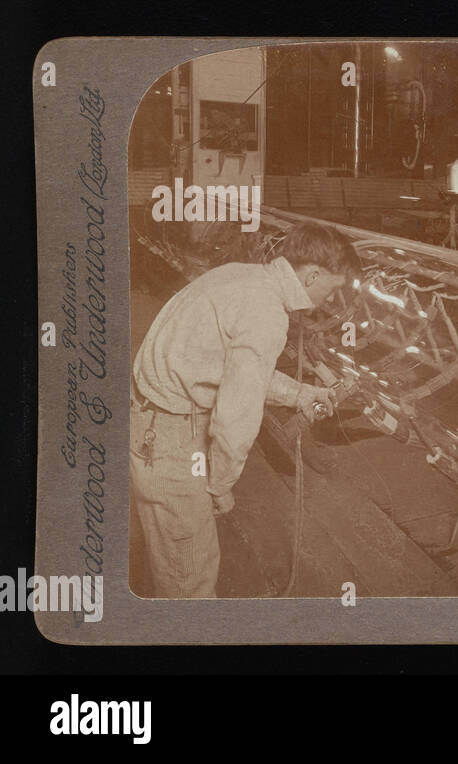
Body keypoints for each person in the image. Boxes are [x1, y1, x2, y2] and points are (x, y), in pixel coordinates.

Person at [130, 222, 362, 597]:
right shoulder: (267, 313)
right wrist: (220, 484)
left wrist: (300, 393)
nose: (331, 300)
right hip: (168, 440)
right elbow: (235, 416)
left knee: (183, 561)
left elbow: (231, 369)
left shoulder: (243, 276)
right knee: (188, 579)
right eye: (332, 289)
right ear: (313, 274)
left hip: (155, 421)